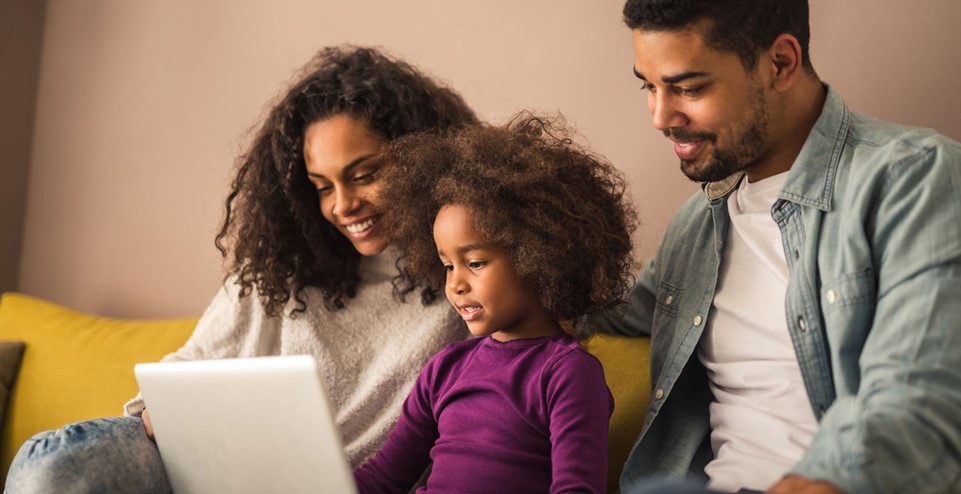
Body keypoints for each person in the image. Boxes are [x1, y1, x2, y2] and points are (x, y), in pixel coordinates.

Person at [5, 45, 478, 493]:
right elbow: (187, 368)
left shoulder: (463, 278)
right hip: (208, 464)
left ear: (420, 159)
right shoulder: (281, 269)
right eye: (321, 187)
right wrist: (161, 410)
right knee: (53, 463)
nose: (343, 205)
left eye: (364, 174)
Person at [590, 1, 961, 493]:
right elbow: (597, 311)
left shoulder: (912, 179)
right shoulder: (698, 225)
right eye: (649, 86)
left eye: (688, 88)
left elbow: (915, 399)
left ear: (780, 63)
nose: (660, 117)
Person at [351, 114, 638, 493]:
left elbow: (577, 490)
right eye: (447, 266)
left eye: (475, 263)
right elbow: (383, 479)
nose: (456, 284)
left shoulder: (567, 373)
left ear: (537, 255)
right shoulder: (445, 369)